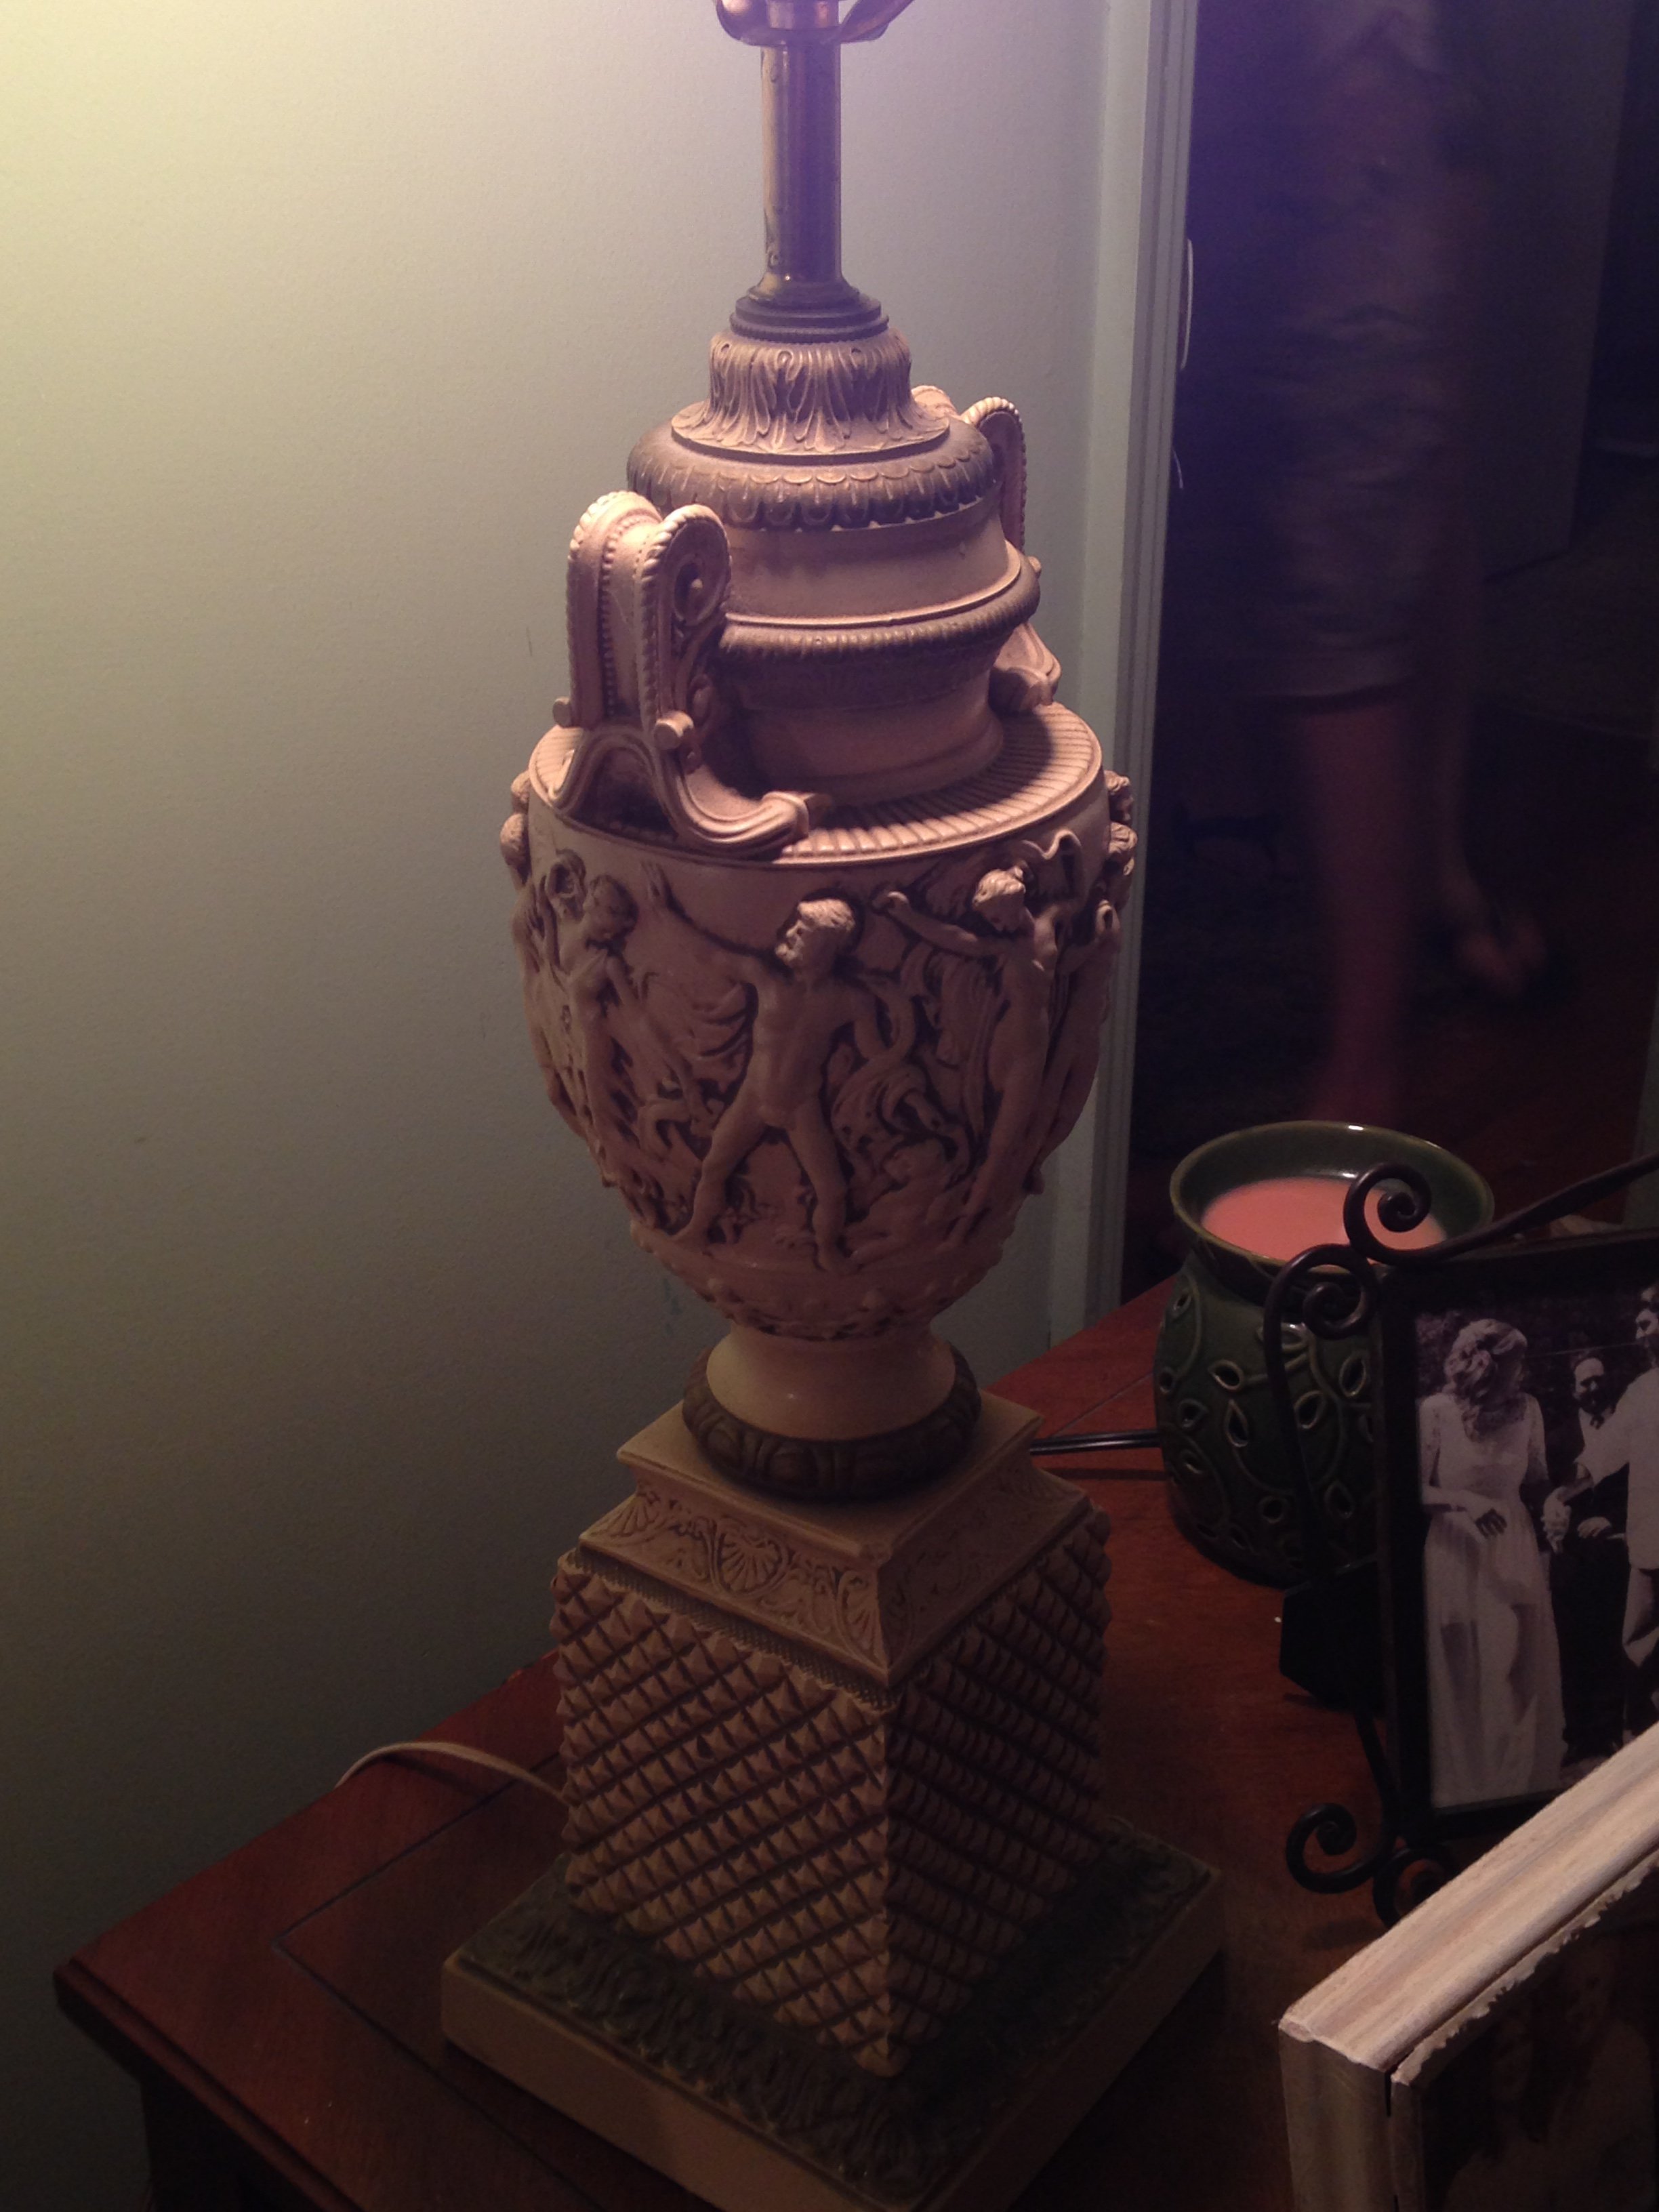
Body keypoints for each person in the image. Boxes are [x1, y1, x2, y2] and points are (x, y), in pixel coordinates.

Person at [1164, 0, 1544, 1124]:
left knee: (1338, 536)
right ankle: (1426, 875)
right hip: (1319, 90)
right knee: (1380, 496)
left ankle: (1360, 1081)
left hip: (1354, 90)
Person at [1419, 1319, 1563, 1807]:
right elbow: (1413, 1490)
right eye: (1516, 1362)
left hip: (1512, 1548)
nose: (1523, 1372)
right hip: (1455, 1551)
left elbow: (1538, 1478)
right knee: (1461, 1674)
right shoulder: (1436, 1411)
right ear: (1487, 1364)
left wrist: (1554, 1504)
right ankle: (1467, 1793)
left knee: (1511, 1669)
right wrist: (1465, 1501)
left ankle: (1514, 1789)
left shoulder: (1529, 1410)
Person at [1542, 1355, 1633, 1776]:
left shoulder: (1631, 1430)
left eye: (1598, 1380)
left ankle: (1609, 1731)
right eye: (1585, 1383)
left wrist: (1612, 1520)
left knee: (1612, 1642)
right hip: (1571, 1559)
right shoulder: (1557, 1439)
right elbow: (1545, 1494)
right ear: (1573, 1391)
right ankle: (1578, 1736)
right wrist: (1556, 1525)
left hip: (1616, 1554)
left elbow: (1647, 1490)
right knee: (1573, 1646)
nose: (1593, 1389)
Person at [1540, 1936, 1655, 2212]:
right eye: (1571, 2000)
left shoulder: (1624, 2053)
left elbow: (1572, 2166)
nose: (1582, 2007)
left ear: (1609, 1985)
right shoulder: (1575, 2073)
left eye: (1592, 1986)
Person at [1439, 1998, 1551, 2212]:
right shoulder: (1469, 2184)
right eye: (1504, 2051)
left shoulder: (1558, 2132)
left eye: (1523, 2041)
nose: (1517, 2059)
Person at [1617, 1286, 1659, 1732]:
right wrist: (1561, 1494)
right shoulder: (1642, 1391)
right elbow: (1606, 1450)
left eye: (1645, 1324)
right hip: (1649, 1548)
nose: (1638, 1336)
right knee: (1638, 1645)